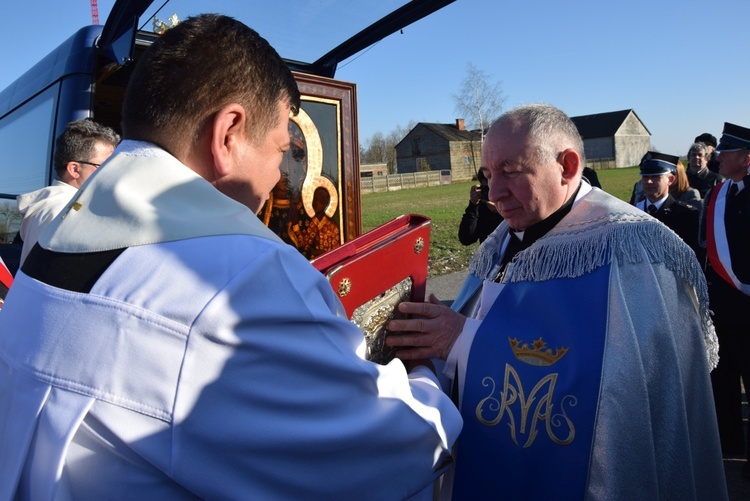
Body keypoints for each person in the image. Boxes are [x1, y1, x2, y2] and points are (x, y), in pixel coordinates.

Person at [0, 15, 461, 499]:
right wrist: (424, 373)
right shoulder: (244, 278)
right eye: (281, 148)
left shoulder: (49, 243)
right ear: (228, 134)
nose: (280, 176)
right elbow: (387, 455)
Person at [387, 104, 727, 499]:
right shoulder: (502, 241)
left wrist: (464, 340)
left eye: (510, 171)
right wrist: (442, 335)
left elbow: (618, 392)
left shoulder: (633, 249)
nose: (494, 193)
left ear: (567, 166)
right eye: (488, 175)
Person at [700, 122, 750, 477]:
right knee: (724, 378)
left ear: (746, 158)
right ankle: (730, 445)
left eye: (726, 152)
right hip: (725, 306)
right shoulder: (719, 193)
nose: (718, 157)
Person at [15, 119, 119, 264]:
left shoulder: (54, 205)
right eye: (104, 166)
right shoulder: (62, 211)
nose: (112, 173)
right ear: (75, 169)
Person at [635, 152, 701, 255]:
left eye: (656, 177)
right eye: (645, 177)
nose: (649, 182)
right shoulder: (634, 212)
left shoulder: (686, 214)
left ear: (670, 180)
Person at [458, 166, 503, 245]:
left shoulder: (512, 206)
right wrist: (473, 205)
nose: (490, 192)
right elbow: (466, 239)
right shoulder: (481, 207)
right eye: (485, 187)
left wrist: (501, 211)